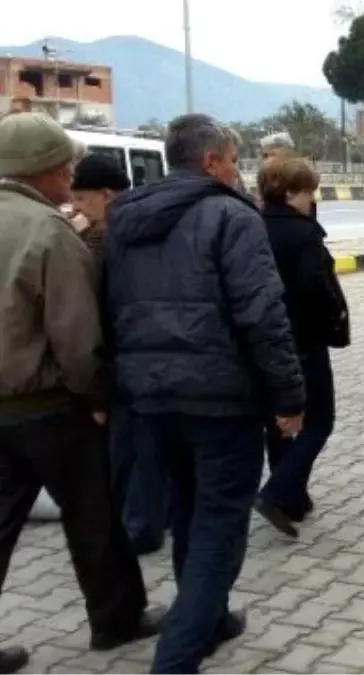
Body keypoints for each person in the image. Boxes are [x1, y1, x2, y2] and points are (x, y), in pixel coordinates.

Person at [104, 113, 305, 672]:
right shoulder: (230, 217)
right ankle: (177, 657)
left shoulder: (124, 218)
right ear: (212, 162)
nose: (240, 173)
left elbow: (109, 308)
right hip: (221, 401)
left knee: (189, 509)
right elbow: (263, 316)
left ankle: (210, 620)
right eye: (235, 161)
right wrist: (289, 398)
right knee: (219, 526)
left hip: (151, 399)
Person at [0, 113, 162, 675]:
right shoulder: (49, 232)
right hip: (49, 406)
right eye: (64, 163)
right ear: (40, 169)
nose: (71, 172)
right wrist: (96, 395)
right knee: (94, 516)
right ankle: (116, 620)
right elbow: (74, 333)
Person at [69, 152, 171, 554]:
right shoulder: (153, 221)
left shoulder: (104, 237)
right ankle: (159, 517)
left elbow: (92, 305)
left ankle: (140, 528)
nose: (77, 207)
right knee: (152, 444)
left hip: (123, 357)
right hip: (158, 350)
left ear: (107, 194)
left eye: (82, 198)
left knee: (130, 450)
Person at [254, 156, 350, 538]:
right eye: (310, 191)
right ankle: (278, 491)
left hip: (264, 340)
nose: (313, 199)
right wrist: (333, 316)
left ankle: (293, 496)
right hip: (304, 339)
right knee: (319, 419)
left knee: (277, 421)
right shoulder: (302, 233)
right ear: (292, 192)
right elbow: (315, 286)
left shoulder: (252, 225)